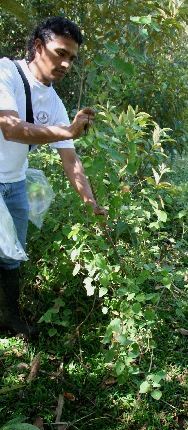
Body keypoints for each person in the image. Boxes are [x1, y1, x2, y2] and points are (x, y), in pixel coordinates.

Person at [0, 16, 107, 339]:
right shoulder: (6, 72)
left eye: (71, 58)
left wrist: (91, 202)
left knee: (10, 257)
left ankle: (9, 317)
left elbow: (70, 159)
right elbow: (11, 127)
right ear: (37, 46)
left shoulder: (55, 102)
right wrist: (69, 129)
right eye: (60, 53)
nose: (65, 64)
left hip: (15, 184)